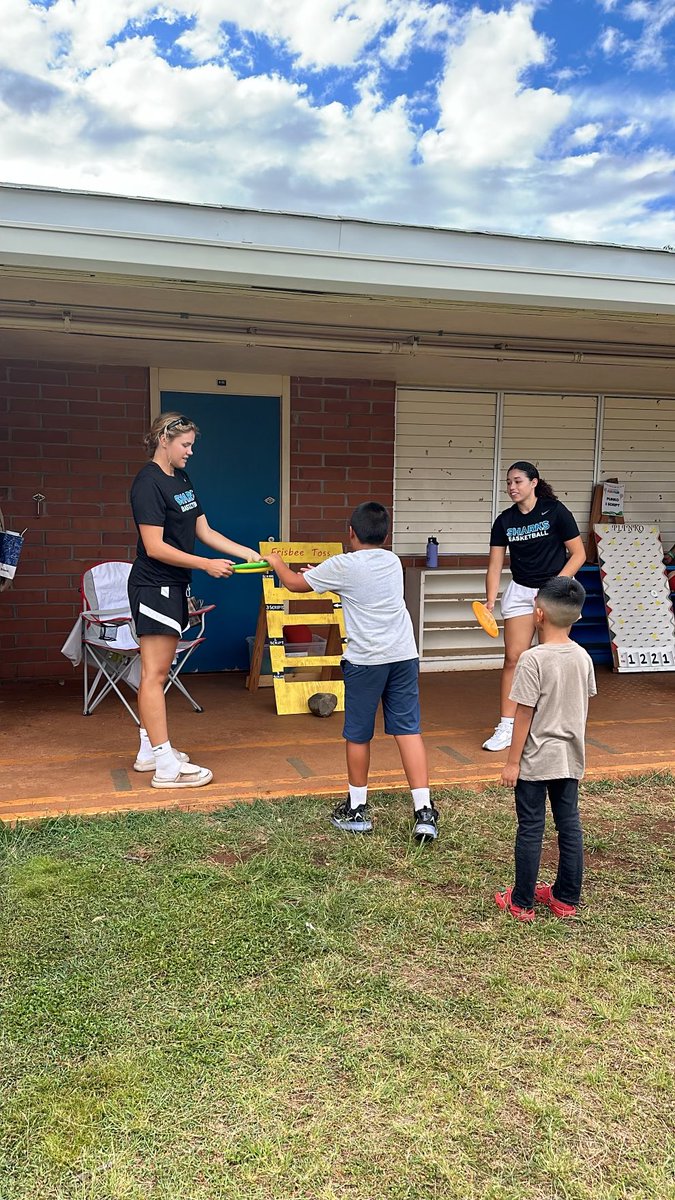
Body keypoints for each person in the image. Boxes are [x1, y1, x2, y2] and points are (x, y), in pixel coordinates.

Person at [265, 502, 439, 841]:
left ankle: (357, 810)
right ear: (386, 535)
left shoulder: (342, 565)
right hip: (403, 656)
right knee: (408, 730)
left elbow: (293, 584)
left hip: (365, 662)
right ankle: (424, 811)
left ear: (350, 533)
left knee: (358, 734)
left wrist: (278, 563)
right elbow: (358, 584)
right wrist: (326, 574)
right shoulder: (392, 561)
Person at [128, 412, 261, 788]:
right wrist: (206, 566)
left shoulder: (181, 478)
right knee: (154, 676)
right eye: (185, 445)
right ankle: (166, 768)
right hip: (154, 586)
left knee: (156, 674)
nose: (190, 452)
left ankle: (147, 752)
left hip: (172, 585)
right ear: (164, 441)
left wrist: (243, 552)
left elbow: (202, 529)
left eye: (191, 445)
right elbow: (154, 547)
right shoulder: (147, 483)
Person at [494, 576, 596, 922]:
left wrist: (512, 763)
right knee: (569, 825)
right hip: (569, 758)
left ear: (537, 613)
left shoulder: (532, 660)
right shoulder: (583, 658)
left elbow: (523, 714)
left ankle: (521, 902)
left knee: (531, 827)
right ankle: (566, 898)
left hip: (536, 760)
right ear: (578, 617)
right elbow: (582, 702)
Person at [483, 461, 586, 752]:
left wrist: (556, 586)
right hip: (520, 591)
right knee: (513, 658)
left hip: (553, 591)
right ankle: (507, 725)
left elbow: (579, 553)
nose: (512, 487)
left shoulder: (555, 511)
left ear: (534, 483)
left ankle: (550, 726)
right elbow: (494, 565)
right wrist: (490, 599)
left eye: (517, 481)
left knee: (551, 659)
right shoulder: (504, 520)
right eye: (509, 483)